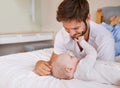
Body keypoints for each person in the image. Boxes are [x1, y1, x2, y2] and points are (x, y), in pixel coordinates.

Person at [34, 0, 115, 76]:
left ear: (88, 18)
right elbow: (54, 63)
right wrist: (40, 64)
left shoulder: (105, 39)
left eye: (76, 28)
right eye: (67, 28)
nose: (71, 33)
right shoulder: (62, 34)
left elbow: (105, 72)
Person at [51, 37, 120, 85]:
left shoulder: (79, 75)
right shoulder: (81, 68)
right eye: (71, 57)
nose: (74, 56)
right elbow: (92, 53)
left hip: (114, 76)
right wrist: (82, 42)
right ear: (69, 69)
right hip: (116, 73)